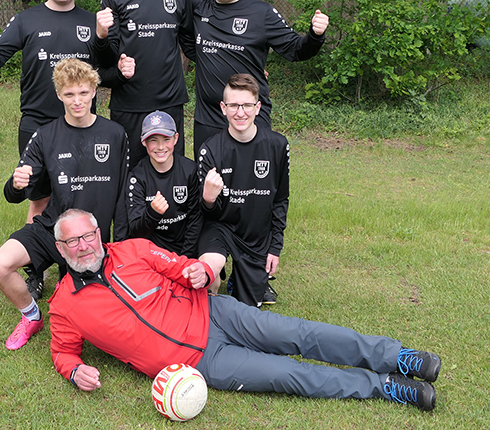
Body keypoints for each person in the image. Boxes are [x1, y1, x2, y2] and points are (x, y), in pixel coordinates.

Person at [49, 208, 442, 412]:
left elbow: (184, 267)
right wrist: (74, 370)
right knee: (288, 375)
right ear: (61, 249)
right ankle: (386, 387)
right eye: (73, 241)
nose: (84, 246)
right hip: (198, 363)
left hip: (217, 313)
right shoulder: (65, 305)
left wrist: (203, 272)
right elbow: (63, 352)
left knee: (299, 334)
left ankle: (397, 357)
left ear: (99, 233)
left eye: (88, 235)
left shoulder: (133, 250)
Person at [0, 0, 130, 299]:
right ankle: (36, 271)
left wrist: (120, 70)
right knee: (40, 200)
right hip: (38, 124)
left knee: (80, 196)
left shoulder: (92, 22)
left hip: (83, 126)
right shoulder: (27, 19)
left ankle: (84, 265)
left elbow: (104, 71)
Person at [0, 58, 129, 351]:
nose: (77, 101)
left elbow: (122, 197)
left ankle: (77, 287)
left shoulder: (115, 134)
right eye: (69, 94)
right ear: (59, 95)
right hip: (52, 230)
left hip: (91, 240)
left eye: (83, 93)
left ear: (94, 91)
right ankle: (31, 316)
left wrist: (119, 245)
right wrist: (16, 184)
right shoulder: (45, 135)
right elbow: (13, 193)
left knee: (93, 324)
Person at [190, 0, 330, 155]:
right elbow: (170, 20)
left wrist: (315, 35)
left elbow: (296, 50)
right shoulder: (197, 9)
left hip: (250, 118)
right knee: (208, 176)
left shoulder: (262, 13)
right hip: (208, 119)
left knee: (253, 175)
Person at [96, 0, 194, 167]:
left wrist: (243, 66)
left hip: (170, 101)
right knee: (128, 176)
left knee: (171, 174)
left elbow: (193, 46)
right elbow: (107, 54)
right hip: (129, 103)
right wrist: (104, 40)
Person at [195, 73, 288, 307]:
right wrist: (208, 199)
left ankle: (241, 279)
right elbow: (204, 214)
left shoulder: (278, 145)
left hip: (256, 235)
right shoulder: (210, 150)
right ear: (223, 108)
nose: (240, 112)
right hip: (221, 228)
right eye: (233, 105)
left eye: (247, 105)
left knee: (250, 307)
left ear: (258, 107)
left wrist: (274, 248)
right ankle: (215, 286)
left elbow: (280, 200)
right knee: (208, 275)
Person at [127, 110, 202, 257]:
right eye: (153, 140)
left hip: (184, 249)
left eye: (166, 139)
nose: (161, 147)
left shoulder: (190, 170)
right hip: (152, 253)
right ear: (143, 141)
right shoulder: (137, 177)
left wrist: (185, 258)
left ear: (176, 138)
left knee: (209, 275)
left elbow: (195, 221)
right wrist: (152, 214)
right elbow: (136, 231)